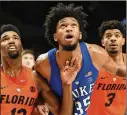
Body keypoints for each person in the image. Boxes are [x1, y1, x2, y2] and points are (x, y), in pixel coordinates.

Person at [35, 3, 126, 115]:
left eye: (73, 25)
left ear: (80, 35)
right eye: (63, 26)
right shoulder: (43, 64)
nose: (69, 29)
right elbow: (34, 88)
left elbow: (119, 71)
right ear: (55, 36)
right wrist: (38, 101)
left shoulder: (95, 53)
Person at [0, 24, 81, 115]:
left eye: (15, 38)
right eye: (5, 39)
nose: (11, 41)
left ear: (21, 48)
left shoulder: (35, 78)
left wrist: (67, 85)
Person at [87, 20, 126, 115]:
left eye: (117, 35)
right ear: (102, 42)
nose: (113, 39)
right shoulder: (93, 63)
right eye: (108, 36)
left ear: (123, 41)